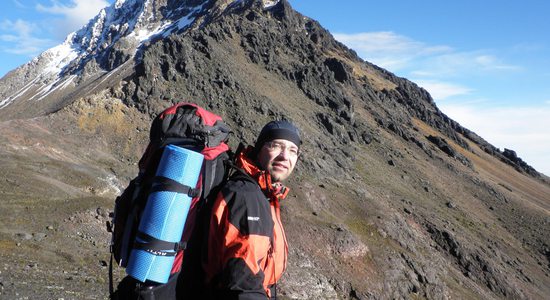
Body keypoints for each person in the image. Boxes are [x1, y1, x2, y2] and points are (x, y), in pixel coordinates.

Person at [203, 120, 301, 299]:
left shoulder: (265, 194)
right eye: (276, 146)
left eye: (293, 150)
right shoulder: (247, 196)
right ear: (259, 149)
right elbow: (244, 283)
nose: (285, 156)